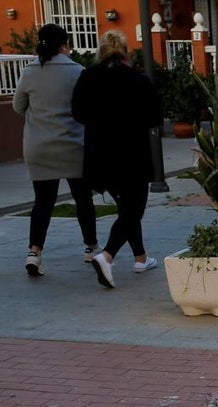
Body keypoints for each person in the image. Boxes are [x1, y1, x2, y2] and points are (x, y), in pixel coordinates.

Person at [72, 30, 161, 289]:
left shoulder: (87, 77)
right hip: (132, 156)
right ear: (125, 51)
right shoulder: (138, 80)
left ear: (100, 51)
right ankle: (107, 256)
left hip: (99, 156)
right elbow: (154, 116)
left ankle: (141, 258)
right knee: (134, 209)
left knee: (127, 209)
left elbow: (77, 112)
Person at [12, 23, 99, 278]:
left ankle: (34, 252)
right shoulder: (78, 71)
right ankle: (91, 247)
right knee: (83, 199)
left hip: (39, 148)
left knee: (43, 202)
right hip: (74, 145)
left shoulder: (29, 72)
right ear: (64, 45)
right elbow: (86, 109)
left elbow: (18, 106)